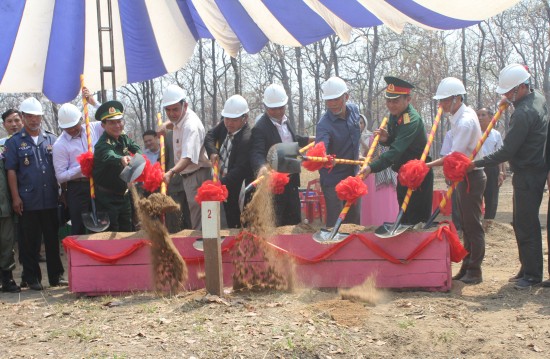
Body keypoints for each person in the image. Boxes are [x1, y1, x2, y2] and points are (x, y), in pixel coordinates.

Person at [468, 64, 548, 289]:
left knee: (525, 222)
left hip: (527, 172)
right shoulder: (537, 99)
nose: (506, 96)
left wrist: (476, 163)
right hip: (536, 168)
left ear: (522, 87)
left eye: (510, 92)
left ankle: (532, 275)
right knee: (522, 220)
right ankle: (527, 267)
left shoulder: (523, 113)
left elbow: (506, 151)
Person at [427, 77, 486, 285]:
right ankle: (467, 265)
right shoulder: (457, 117)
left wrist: (427, 166)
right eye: (441, 100)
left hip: (471, 176)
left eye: (444, 100)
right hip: (463, 176)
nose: (440, 105)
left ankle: (475, 270)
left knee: (472, 225)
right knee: (465, 224)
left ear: (457, 98)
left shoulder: (466, 121)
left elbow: (454, 156)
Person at [4, 98, 66, 290]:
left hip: (50, 198)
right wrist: (15, 197)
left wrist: (62, 191)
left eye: (37, 116)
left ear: (41, 116)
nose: (33, 120)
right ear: (23, 118)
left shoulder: (52, 138)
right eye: (29, 116)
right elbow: (11, 170)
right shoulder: (15, 142)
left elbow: (59, 167)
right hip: (27, 199)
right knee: (29, 241)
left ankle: (56, 276)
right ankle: (32, 278)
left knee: (52, 239)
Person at [360, 76, 433, 225]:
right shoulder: (394, 116)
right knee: (404, 218)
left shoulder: (411, 120)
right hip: (403, 173)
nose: (391, 105)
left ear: (408, 99)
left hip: (418, 176)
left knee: (417, 222)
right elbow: (398, 142)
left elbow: (395, 152)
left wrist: (372, 167)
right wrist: (387, 139)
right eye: (388, 101)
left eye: (396, 101)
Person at [250, 83, 310, 226]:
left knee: (294, 221)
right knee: (278, 223)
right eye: (273, 108)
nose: (277, 111)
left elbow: (289, 138)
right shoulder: (260, 128)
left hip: (292, 181)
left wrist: (309, 139)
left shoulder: (286, 121)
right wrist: (261, 167)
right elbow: (256, 152)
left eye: (281, 107)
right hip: (276, 186)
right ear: (265, 106)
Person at [161, 85, 211, 230]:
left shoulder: (191, 126)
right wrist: (165, 125)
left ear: (185, 105)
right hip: (188, 176)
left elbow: (188, 157)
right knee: (195, 217)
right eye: (168, 110)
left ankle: (205, 248)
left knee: (202, 220)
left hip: (199, 175)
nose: (172, 114)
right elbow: (174, 122)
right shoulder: (181, 119)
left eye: (175, 109)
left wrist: (171, 172)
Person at [315, 77, 361, 226]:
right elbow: (321, 147)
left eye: (336, 99)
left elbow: (359, 126)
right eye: (328, 100)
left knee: (353, 221)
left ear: (346, 97)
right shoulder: (324, 125)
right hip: (333, 180)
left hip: (353, 176)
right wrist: (325, 158)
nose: (332, 104)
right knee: (336, 223)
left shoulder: (354, 110)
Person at [52, 103, 104, 235]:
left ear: (81, 119)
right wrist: (81, 167)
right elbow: (60, 176)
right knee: (79, 226)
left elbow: (110, 118)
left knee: (101, 223)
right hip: (77, 189)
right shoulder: (60, 145)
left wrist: (93, 102)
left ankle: (100, 252)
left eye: (75, 126)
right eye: (67, 128)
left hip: (99, 184)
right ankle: (80, 254)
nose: (72, 130)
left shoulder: (93, 127)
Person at [205, 95, 253, 228]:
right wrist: (213, 152)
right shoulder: (224, 126)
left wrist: (219, 185)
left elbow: (239, 170)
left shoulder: (246, 139)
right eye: (226, 118)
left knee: (237, 221)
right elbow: (209, 136)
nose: (229, 123)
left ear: (245, 118)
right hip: (222, 179)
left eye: (234, 120)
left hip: (238, 187)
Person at [93, 100, 141, 232]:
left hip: (124, 195)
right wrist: (121, 158)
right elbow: (109, 155)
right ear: (103, 125)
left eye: (119, 121)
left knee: (127, 230)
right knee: (111, 234)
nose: (117, 125)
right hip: (107, 199)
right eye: (112, 122)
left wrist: (138, 159)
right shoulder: (101, 144)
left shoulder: (123, 138)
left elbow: (137, 149)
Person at [358, 114, 398, 226]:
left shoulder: (393, 138)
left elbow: (388, 155)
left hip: (387, 172)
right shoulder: (372, 138)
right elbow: (370, 155)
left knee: (388, 201)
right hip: (372, 171)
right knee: (374, 203)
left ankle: (390, 223)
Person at [0, 109, 22, 292]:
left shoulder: (12, 147)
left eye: (16, 120)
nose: (13, 124)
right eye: (9, 121)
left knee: (7, 243)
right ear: (3, 124)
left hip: (5, 206)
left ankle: (7, 279)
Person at [477, 107, 506, 224]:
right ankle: (475, 223)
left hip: (492, 168)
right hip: (477, 167)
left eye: (483, 115)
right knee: (476, 197)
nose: (480, 118)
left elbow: (500, 155)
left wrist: (501, 172)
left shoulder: (496, 134)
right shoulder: (474, 133)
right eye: (478, 115)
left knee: (492, 197)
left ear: (490, 118)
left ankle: (489, 223)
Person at [164, 129, 191, 232]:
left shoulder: (192, 131)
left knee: (191, 220)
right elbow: (164, 160)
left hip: (192, 183)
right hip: (174, 185)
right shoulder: (168, 136)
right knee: (174, 220)